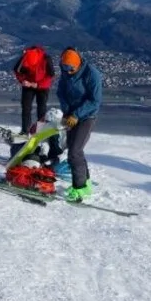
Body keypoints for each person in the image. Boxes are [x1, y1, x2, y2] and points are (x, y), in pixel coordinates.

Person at [56, 47, 102, 201]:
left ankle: (80, 188)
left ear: (78, 64)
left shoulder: (91, 74)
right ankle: (85, 181)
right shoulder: (65, 72)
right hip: (71, 116)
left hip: (86, 116)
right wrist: (67, 112)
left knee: (75, 151)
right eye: (65, 68)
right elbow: (61, 93)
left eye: (71, 69)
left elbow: (95, 101)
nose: (68, 72)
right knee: (74, 150)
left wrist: (76, 115)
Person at [13, 44, 54, 135]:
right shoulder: (24, 58)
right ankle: (25, 131)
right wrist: (22, 81)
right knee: (26, 107)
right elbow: (17, 71)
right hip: (28, 85)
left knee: (41, 108)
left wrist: (38, 85)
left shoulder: (46, 59)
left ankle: (40, 131)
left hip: (42, 85)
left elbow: (50, 76)